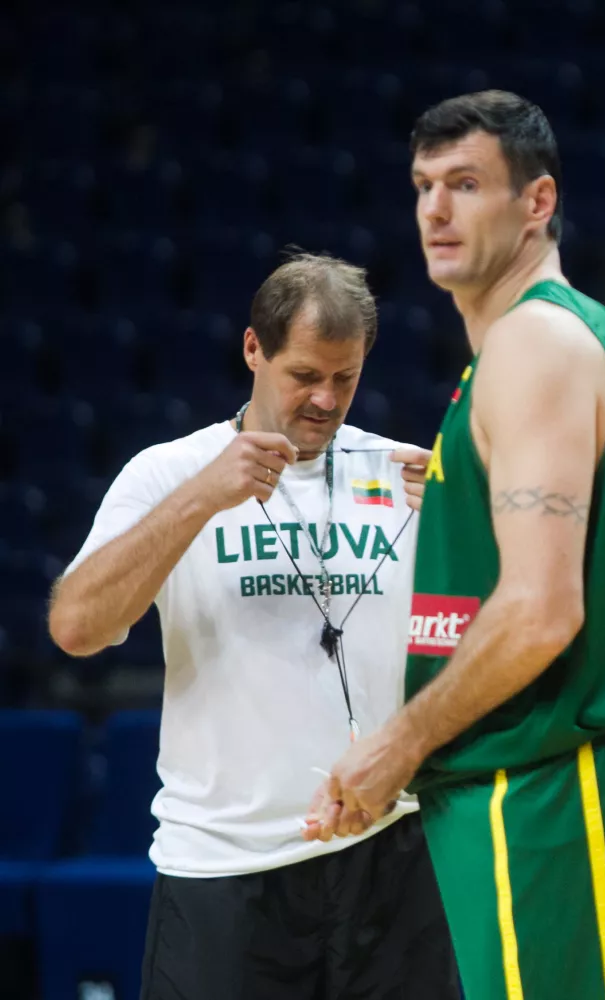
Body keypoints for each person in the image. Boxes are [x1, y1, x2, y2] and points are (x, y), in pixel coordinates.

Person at [302, 90, 605, 1000]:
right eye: (423, 186)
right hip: (538, 799)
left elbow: (539, 610)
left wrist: (398, 745)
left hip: (560, 796)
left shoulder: (533, 345)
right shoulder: (531, 347)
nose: (436, 210)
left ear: (537, 201)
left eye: (467, 183)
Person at [47, 253, 456, 1000]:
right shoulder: (168, 473)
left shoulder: (405, 474)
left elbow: (467, 642)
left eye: (345, 377)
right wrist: (203, 497)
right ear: (252, 349)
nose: (326, 399)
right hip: (226, 870)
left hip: (396, 857)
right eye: (305, 375)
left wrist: (471, 537)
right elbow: (77, 627)